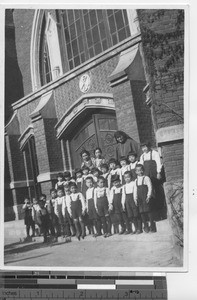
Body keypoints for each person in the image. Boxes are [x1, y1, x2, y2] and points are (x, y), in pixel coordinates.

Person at [139, 141, 166, 219]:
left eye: (145, 147)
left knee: (158, 193)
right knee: (151, 194)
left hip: (155, 176)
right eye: (142, 147)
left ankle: (162, 214)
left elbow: (158, 163)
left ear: (149, 146)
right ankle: (155, 215)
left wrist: (158, 172)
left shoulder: (154, 153)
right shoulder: (142, 156)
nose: (144, 149)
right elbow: (141, 167)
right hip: (147, 177)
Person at [133, 164, 156, 233]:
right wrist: (135, 198)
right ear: (136, 172)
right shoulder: (136, 180)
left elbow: (150, 187)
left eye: (141, 170)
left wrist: (149, 196)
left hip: (145, 197)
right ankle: (145, 226)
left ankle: (152, 226)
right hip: (140, 198)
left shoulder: (146, 178)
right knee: (142, 212)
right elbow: (135, 190)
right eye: (138, 171)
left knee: (149, 211)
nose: (140, 172)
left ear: (143, 170)